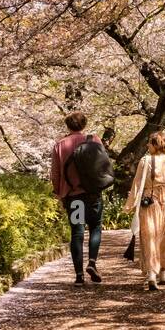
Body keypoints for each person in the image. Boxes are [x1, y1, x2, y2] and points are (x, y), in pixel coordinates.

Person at [123, 131, 165, 291]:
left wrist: (129, 205)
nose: (147, 146)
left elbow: (137, 185)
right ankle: (164, 272)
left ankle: (152, 273)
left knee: (149, 237)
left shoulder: (145, 161)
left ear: (155, 144)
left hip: (149, 202)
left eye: (149, 143)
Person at [50, 111, 104, 286]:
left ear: (68, 125)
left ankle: (79, 275)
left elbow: (55, 173)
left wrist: (59, 193)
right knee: (95, 226)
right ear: (84, 124)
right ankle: (92, 263)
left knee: (77, 232)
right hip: (93, 195)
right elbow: (102, 164)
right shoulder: (94, 140)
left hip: (74, 198)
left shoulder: (60, 145)